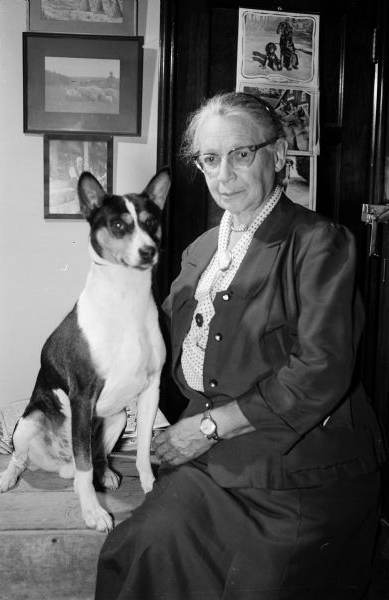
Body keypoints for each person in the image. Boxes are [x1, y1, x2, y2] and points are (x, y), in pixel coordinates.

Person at [95, 92, 385, 600]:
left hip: (299, 471)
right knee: (142, 547)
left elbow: (321, 370)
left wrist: (206, 427)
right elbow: (150, 342)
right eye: (210, 158)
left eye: (241, 154)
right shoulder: (200, 250)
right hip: (212, 464)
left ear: (277, 156)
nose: (223, 174)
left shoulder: (319, 242)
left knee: (255, 585)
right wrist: (78, 369)